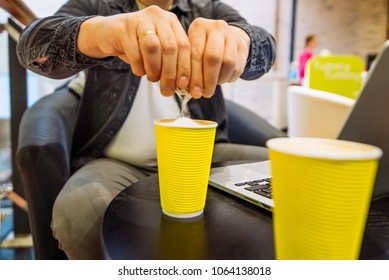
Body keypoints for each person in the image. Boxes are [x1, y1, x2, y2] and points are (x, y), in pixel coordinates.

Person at [17, 0, 276, 259]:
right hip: (114, 161)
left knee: (286, 172)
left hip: (204, 157)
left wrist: (243, 41)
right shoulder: (98, 5)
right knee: (77, 213)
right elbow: (34, 43)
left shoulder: (207, 9)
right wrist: (103, 33)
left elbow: (266, 47)